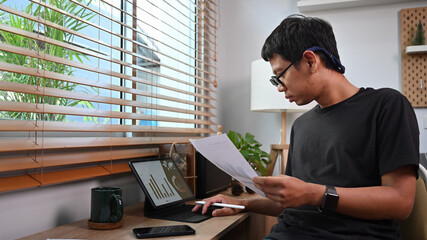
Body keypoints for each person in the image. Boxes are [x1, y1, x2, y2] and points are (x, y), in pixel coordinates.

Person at [192, 14, 420, 239]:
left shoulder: (386, 105)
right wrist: (242, 203)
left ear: (310, 61)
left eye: (279, 75)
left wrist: (315, 194)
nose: (279, 88)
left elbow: (400, 202)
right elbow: (292, 203)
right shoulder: (301, 125)